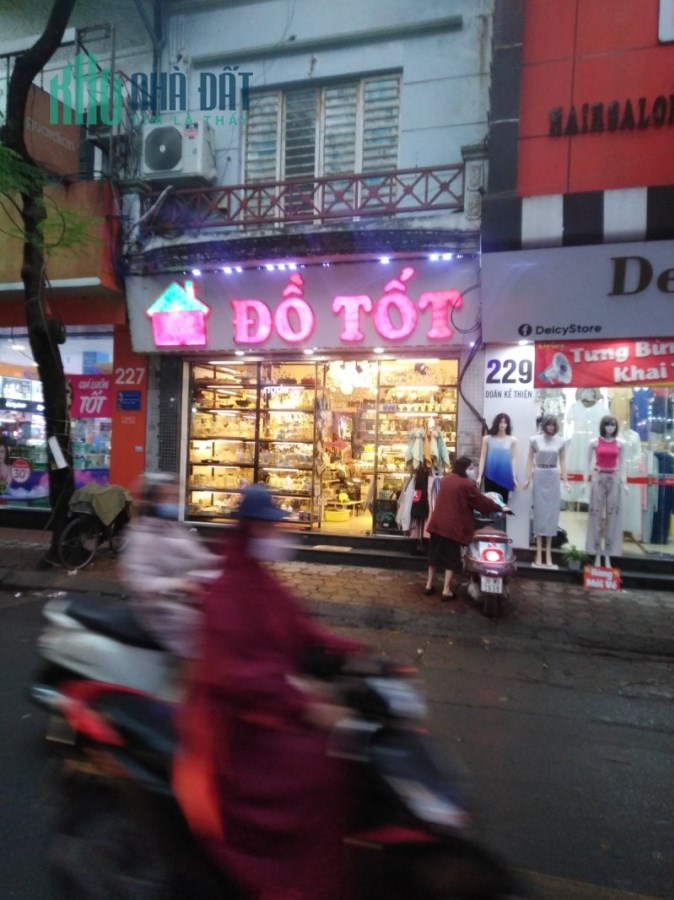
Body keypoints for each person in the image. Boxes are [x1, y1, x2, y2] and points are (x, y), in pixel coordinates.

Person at [172, 484, 364, 900]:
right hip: (235, 727)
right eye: (269, 528)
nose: (278, 536)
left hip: (271, 701)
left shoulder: (261, 581)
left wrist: (353, 651)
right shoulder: (227, 589)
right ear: (251, 530)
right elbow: (237, 676)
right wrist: (305, 705)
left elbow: (298, 626)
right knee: (318, 771)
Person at [120, 472, 221, 659]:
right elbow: (138, 581)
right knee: (205, 637)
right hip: (159, 612)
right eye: (166, 496)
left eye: (175, 496)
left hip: (183, 603)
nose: (173, 501)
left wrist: (229, 565)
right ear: (151, 501)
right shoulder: (140, 536)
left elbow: (201, 557)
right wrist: (180, 585)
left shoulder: (177, 529)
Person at [424, 456, 511, 600]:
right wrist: (500, 507)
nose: (473, 471)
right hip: (452, 528)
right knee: (451, 559)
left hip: (437, 524)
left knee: (434, 556)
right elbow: (481, 502)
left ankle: (428, 585)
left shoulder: (446, 479)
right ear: (465, 468)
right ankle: (446, 590)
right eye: (471, 468)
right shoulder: (466, 484)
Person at [522, 415, 569, 568]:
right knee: (539, 514)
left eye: (553, 425)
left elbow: (563, 461)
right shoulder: (535, 440)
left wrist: (566, 480)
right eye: (548, 425)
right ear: (544, 426)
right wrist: (527, 478)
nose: (550, 428)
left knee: (551, 515)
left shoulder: (561, 441)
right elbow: (530, 459)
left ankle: (548, 552)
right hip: (540, 475)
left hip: (553, 477)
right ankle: (538, 551)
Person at [583, 415, 627, 568]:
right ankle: (595, 551)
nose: (610, 428)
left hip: (614, 477)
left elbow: (623, 464)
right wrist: (585, 481)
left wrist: (624, 482)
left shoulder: (620, 443)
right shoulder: (594, 442)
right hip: (598, 476)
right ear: (603, 426)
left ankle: (608, 552)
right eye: (608, 425)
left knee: (613, 515)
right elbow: (587, 462)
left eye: (613, 425)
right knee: (595, 514)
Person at [477, 413, 518, 502]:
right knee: (490, 503)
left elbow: (513, 459)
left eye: (505, 422)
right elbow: (483, 457)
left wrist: (514, 477)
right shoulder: (487, 439)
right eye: (500, 422)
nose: (502, 424)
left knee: (503, 503)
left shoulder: (512, 440)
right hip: (490, 475)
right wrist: (480, 476)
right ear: (496, 423)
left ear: (508, 424)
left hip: (505, 475)